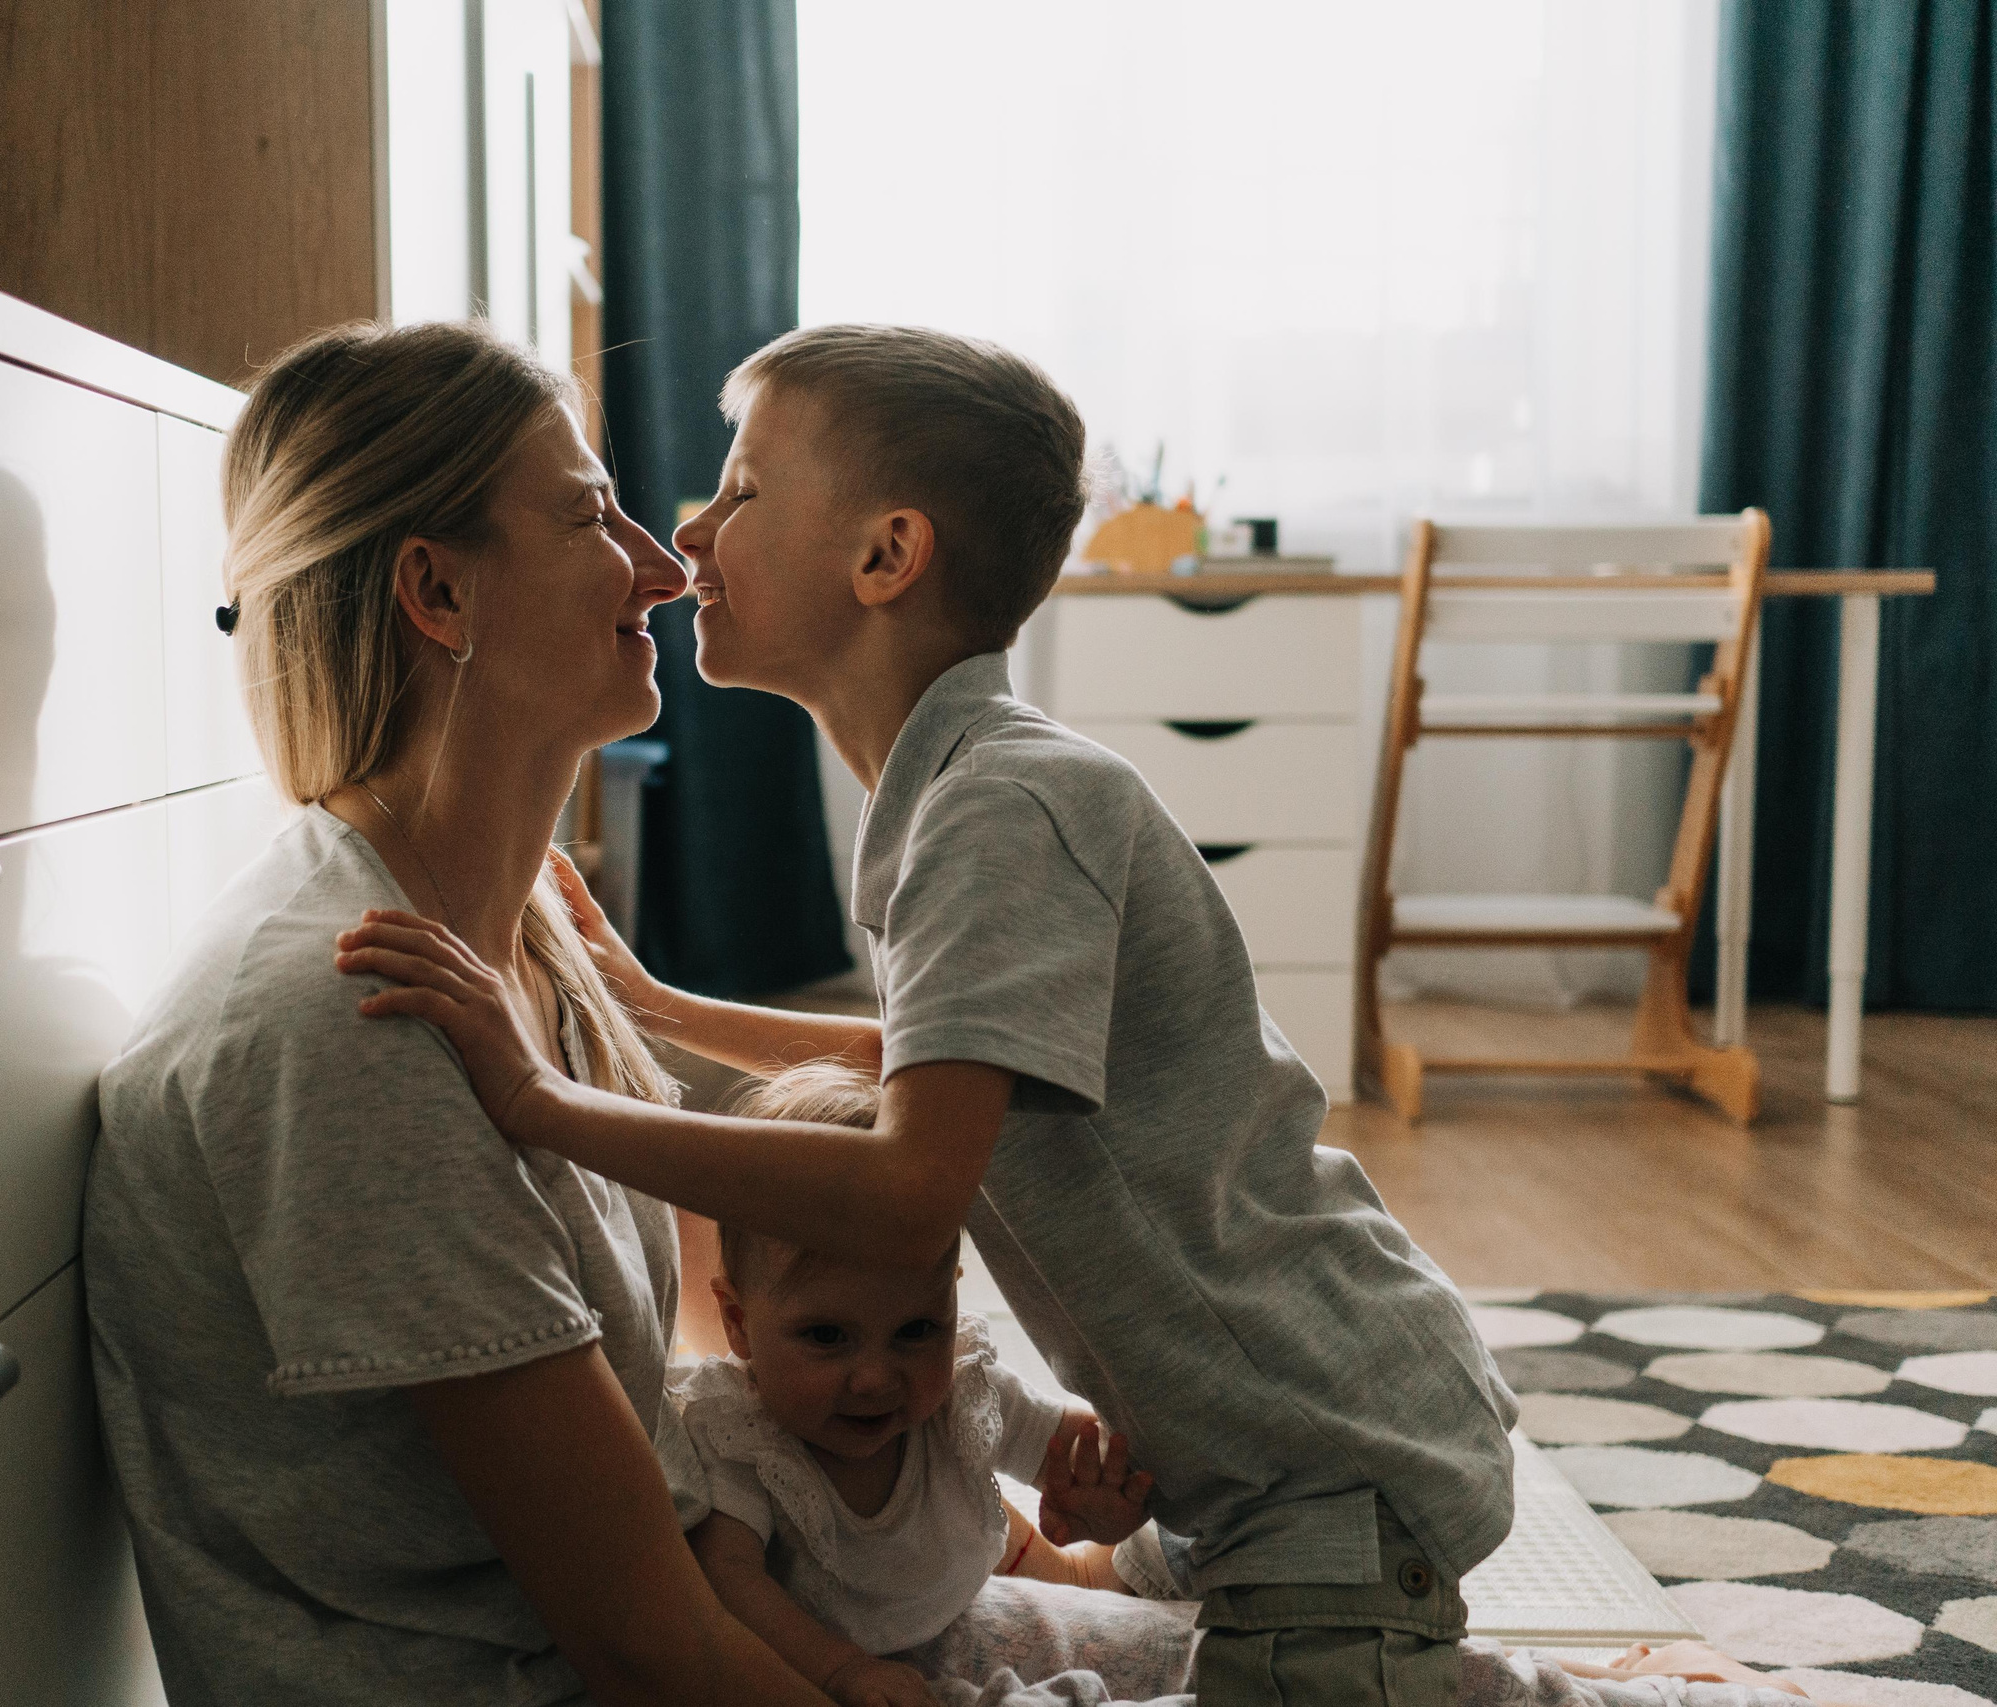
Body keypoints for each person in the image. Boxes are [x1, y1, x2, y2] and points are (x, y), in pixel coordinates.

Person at [332, 323, 1520, 1707]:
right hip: (1266, 1462)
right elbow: (936, 1075)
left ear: (886, 557)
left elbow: (907, 1189)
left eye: (741, 489)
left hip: (1325, 1467)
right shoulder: (968, 791)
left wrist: (543, 1104)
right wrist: (659, 1009)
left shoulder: (996, 810)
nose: (690, 529)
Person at [81, 319, 842, 1706]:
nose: (670, 570)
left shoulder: (520, 931)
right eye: (590, 516)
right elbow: (646, 1647)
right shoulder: (349, 1022)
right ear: (436, 589)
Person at [678, 1062, 1171, 1707]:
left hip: (975, 1617)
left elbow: (1078, 1452)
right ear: (739, 1326)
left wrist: (1105, 1506)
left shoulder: (960, 1391)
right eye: (826, 1336)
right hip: (822, 1667)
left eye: (916, 1329)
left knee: (1186, 1650)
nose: (877, 1377)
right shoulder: (743, 1439)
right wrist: (842, 1672)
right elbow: (730, 1580)